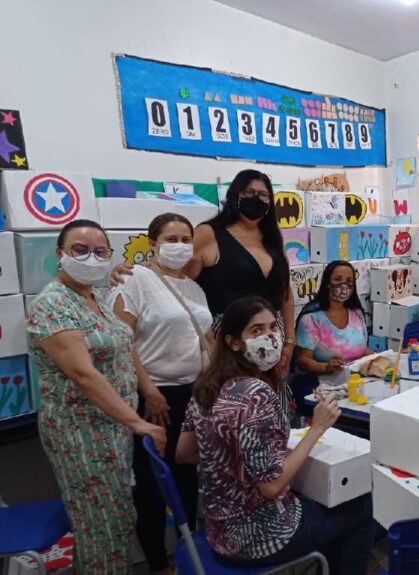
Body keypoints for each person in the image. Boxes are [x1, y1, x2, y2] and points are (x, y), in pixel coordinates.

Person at [176, 296, 377, 574]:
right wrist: (317, 428)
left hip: (217, 528)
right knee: (367, 506)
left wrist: (231, 449)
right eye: (256, 331)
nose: (269, 338)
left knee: (331, 505)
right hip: (260, 536)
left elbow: (184, 453)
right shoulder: (255, 394)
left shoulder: (207, 385)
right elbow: (270, 488)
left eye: (273, 328)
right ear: (233, 342)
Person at [26, 219, 166, 574]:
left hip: (111, 429)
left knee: (115, 515)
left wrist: (144, 393)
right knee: (100, 522)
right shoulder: (53, 304)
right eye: (80, 250)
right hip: (81, 432)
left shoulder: (94, 298)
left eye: (100, 251)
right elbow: (82, 373)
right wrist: (137, 422)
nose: (91, 258)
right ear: (60, 254)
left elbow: (122, 343)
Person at [112, 170, 296, 413]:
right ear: (233, 195)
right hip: (229, 337)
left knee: (272, 402)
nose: (256, 199)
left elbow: (286, 292)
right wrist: (132, 270)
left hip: (273, 332)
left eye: (263, 195)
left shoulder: (272, 237)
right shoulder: (210, 232)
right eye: (248, 192)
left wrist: (289, 341)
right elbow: (173, 272)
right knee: (240, 404)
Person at [110, 213, 212, 575]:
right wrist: (149, 390)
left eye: (187, 238)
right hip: (155, 396)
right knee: (153, 482)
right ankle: (156, 562)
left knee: (187, 475)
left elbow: (207, 338)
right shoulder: (135, 279)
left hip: (194, 394)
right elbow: (123, 342)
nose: (181, 245)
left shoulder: (194, 287)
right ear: (153, 243)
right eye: (172, 238)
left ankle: (189, 551)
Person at [295, 261, 372, 376]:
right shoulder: (311, 318)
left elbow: (362, 348)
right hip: (321, 384)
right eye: (337, 279)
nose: (344, 285)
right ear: (327, 283)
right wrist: (326, 368)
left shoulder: (357, 313)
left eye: (349, 281)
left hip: (357, 379)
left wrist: (378, 360)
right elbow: (303, 360)